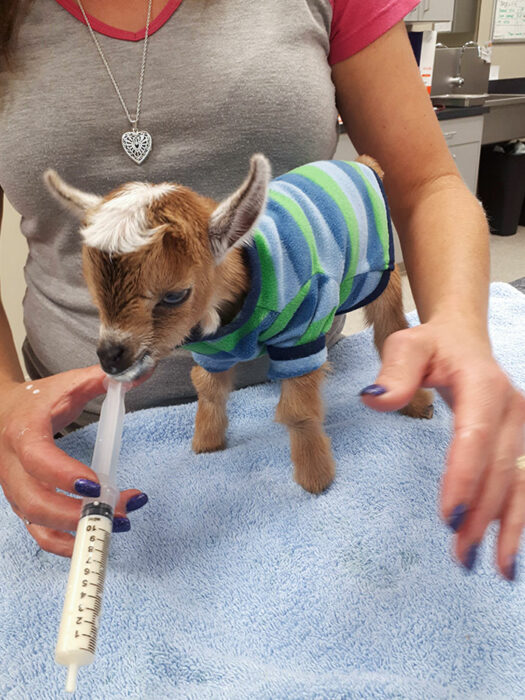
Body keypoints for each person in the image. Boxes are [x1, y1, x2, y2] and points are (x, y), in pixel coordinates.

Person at [0, 1, 523, 578]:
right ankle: (211, 416)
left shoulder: (285, 289)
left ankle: (307, 434)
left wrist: (459, 325)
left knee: (383, 303)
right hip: (73, 433)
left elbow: (426, 183)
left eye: (169, 298)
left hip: (327, 394)